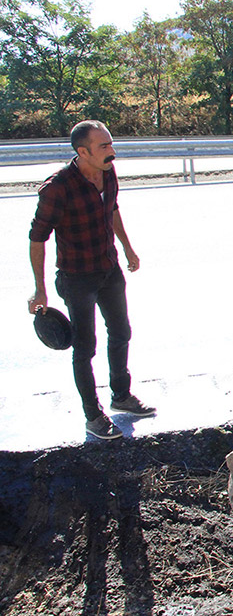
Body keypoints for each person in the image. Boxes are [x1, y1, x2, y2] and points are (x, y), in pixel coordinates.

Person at [28, 120, 156, 440]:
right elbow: (37, 238)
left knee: (122, 331)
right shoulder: (57, 187)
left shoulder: (108, 172)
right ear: (82, 152)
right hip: (76, 277)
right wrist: (39, 289)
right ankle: (93, 416)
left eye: (111, 144)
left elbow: (112, 210)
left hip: (108, 269)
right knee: (85, 346)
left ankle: (121, 396)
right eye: (104, 147)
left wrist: (128, 248)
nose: (112, 151)